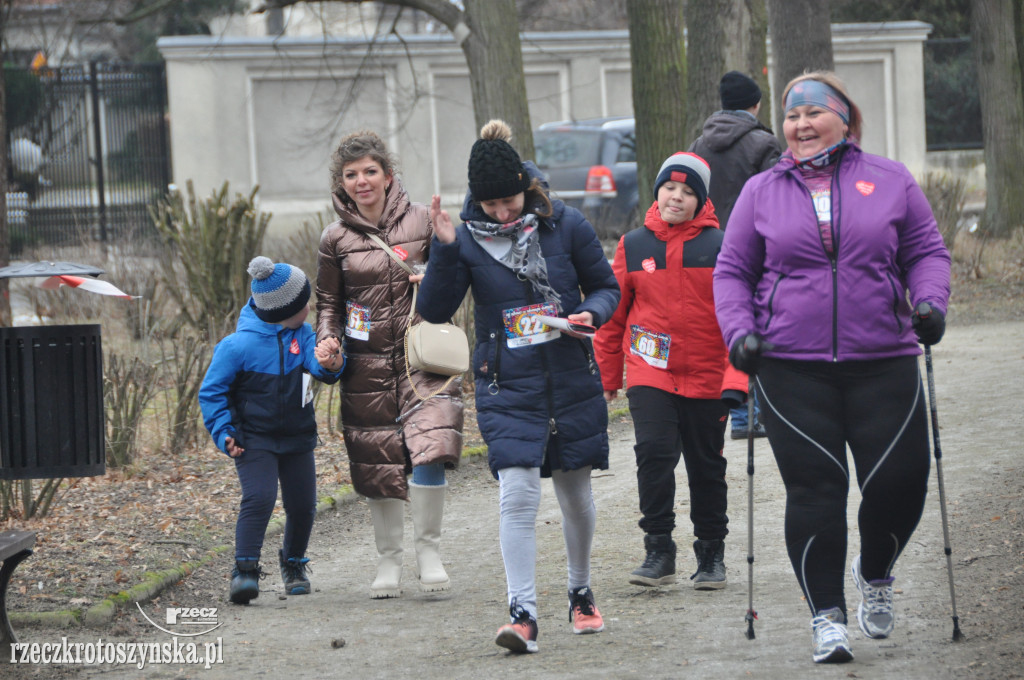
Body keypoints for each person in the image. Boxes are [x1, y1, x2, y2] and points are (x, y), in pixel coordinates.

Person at [713, 71, 951, 664]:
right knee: (816, 490)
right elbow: (733, 272)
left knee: (900, 485)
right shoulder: (761, 191)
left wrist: (931, 303)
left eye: (814, 113)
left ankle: (875, 572)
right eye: (792, 116)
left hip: (884, 359)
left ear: (846, 119)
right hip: (792, 367)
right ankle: (828, 616)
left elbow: (925, 251)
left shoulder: (890, 180)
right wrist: (740, 333)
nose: (800, 125)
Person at [417, 120, 620, 654]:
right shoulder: (463, 240)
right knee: (518, 494)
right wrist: (440, 250)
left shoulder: (567, 225)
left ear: (525, 189)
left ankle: (580, 592)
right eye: (491, 207)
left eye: (510, 202)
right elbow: (434, 310)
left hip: (570, 374)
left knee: (575, 494)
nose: (503, 214)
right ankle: (522, 613)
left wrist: (589, 314)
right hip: (506, 383)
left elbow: (606, 286)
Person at [315, 131, 464, 599]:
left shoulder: (423, 220)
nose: (362, 181)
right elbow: (329, 306)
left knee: (432, 444)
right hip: (366, 366)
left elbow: (456, 279)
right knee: (378, 460)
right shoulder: (334, 238)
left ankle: (429, 551)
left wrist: (441, 263)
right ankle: (388, 560)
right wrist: (327, 343)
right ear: (342, 183)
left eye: (369, 171)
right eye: (351, 174)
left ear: (388, 175)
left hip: (426, 357)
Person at [593, 152, 747, 591]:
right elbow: (614, 317)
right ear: (657, 192)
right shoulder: (634, 245)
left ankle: (711, 552)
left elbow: (739, 315)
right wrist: (608, 377)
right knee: (654, 456)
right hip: (650, 371)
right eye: (669, 189)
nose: (676, 197)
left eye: (687, 191)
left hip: (707, 374)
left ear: (701, 200)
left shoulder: (721, 246)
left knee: (706, 465)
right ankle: (659, 549)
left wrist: (742, 373)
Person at [200, 256, 344, 604]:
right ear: (283, 311)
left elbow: (322, 369)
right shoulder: (237, 346)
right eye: (303, 303)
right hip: (254, 440)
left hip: (296, 436)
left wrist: (332, 360)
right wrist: (224, 432)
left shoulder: (306, 335)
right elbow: (212, 392)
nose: (309, 307)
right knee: (259, 498)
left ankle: (293, 564)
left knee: (303, 504)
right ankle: (245, 571)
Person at [689, 70, 782, 441]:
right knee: (755, 324)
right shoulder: (764, 144)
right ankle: (755, 413)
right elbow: (777, 200)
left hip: (709, 247)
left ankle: (738, 414)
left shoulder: (699, 145)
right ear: (755, 104)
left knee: (726, 328)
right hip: (753, 249)